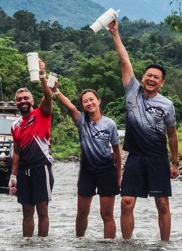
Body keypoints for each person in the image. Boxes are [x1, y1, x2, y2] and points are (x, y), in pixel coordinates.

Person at [107, 19, 179, 241]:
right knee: (126, 202)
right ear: (143, 77)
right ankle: (127, 243)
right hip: (135, 157)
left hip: (158, 157)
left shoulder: (167, 105)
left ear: (162, 83)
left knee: (162, 204)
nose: (151, 79)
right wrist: (115, 33)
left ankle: (164, 244)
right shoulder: (132, 91)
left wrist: (175, 162)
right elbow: (124, 59)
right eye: (149, 75)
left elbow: (172, 134)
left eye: (156, 77)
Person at [54, 86, 122, 238]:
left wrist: (119, 176)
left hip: (107, 171)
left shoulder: (109, 124)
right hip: (87, 172)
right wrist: (56, 91)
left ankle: (108, 246)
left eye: (91, 99)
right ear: (83, 105)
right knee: (82, 213)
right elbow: (69, 106)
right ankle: (79, 242)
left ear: (99, 100)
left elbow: (117, 152)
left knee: (106, 214)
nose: (89, 103)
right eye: (85, 101)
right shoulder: (81, 121)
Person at [8, 59, 55, 237]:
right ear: (16, 103)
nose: (23, 101)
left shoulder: (42, 114)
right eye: (19, 99)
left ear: (32, 101)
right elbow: (16, 152)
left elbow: (48, 96)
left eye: (26, 98)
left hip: (41, 168)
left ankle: (42, 245)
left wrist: (42, 75)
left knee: (42, 210)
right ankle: (27, 245)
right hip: (23, 171)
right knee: (27, 211)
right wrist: (13, 176)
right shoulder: (15, 125)